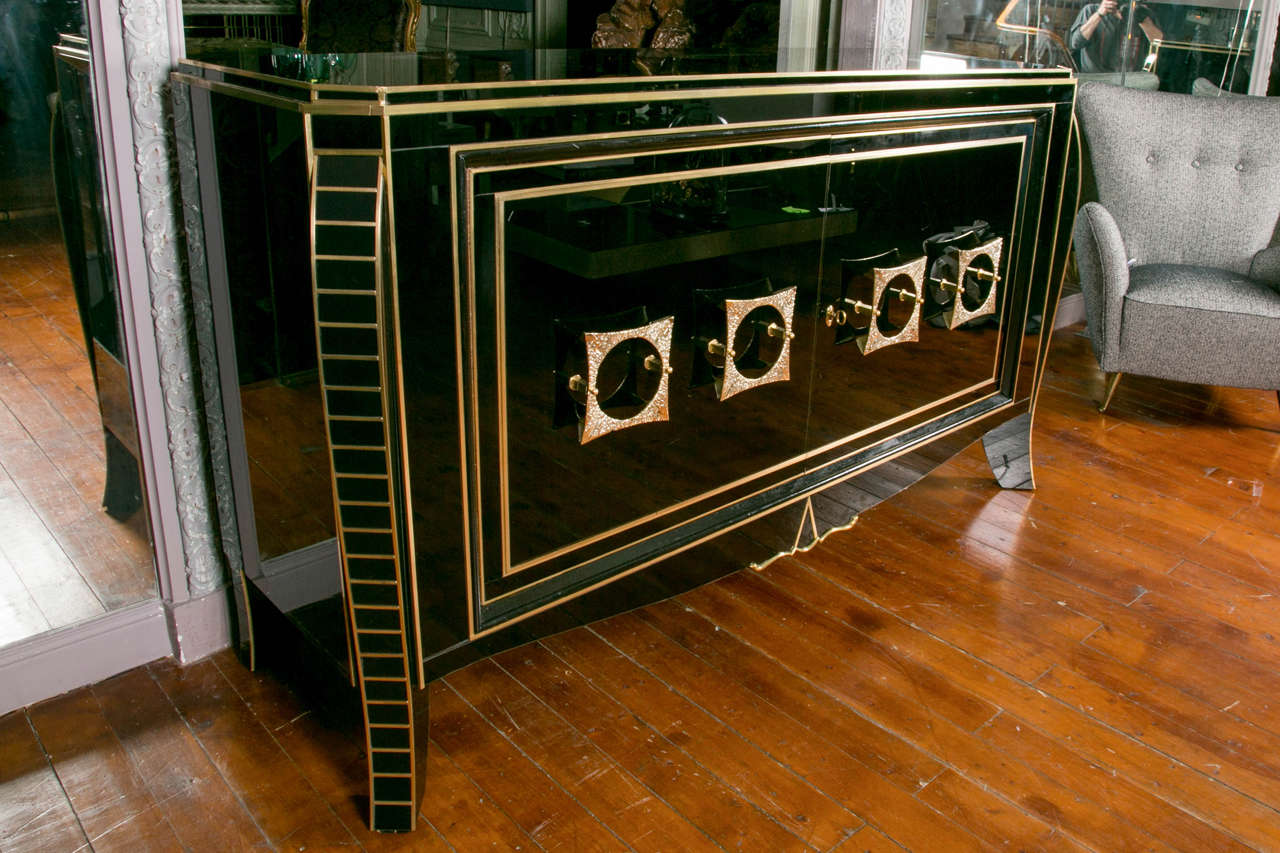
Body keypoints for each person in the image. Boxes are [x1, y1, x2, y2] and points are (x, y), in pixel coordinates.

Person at [1067, 0, 1164, 73]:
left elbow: (1160, 45)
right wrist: (1099, 14)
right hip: (1096, 80)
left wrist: (1143, 20)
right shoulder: (1091, 10)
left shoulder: (1143, 14)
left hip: (1130, 81)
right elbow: (1076, 43)